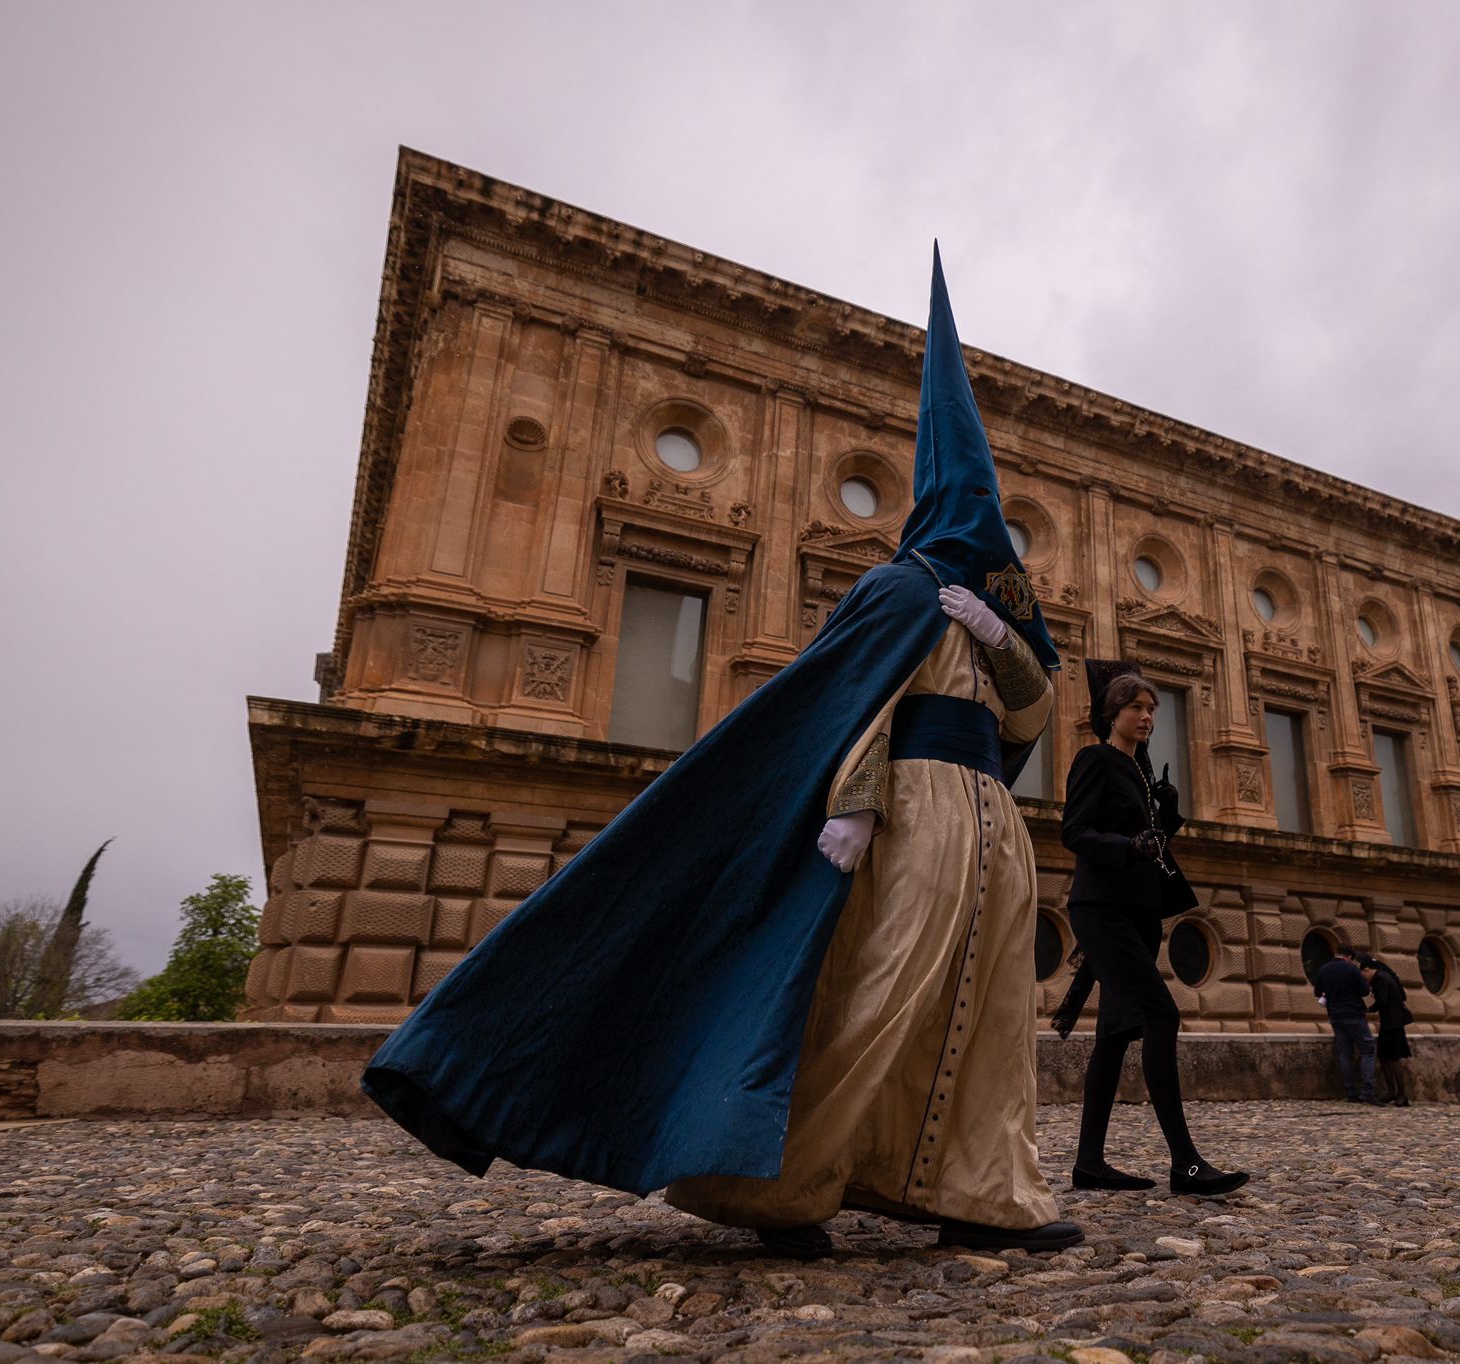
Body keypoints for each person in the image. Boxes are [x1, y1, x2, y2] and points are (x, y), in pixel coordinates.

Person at [361, 247, 1081, 1258]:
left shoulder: (995, 619)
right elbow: (848, 711)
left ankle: (974, 1187)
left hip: (991, 822)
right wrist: (854, 802)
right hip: (912, 811)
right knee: (879, 992)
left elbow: (1030, 719)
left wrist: (1004, 642)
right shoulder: (892, 594)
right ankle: (772, 1183)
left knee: (991, 1012)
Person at [1060, 662, 1250, 1197]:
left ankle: (1089, 1164)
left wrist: (1165, 818)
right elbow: (1074, 831)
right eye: (1135, 708)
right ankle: (1185, 1164)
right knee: (1159, 1015)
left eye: (1151, 709)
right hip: (1102, 909)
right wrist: (1128, 846)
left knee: (1114, 1036)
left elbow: (1151, 843)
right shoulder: (1095, 759)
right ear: (1111, 713)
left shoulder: (1140, 773)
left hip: (1140, 911)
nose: (1146, 717)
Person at [1315, 943, 1377, 1103]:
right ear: (1349, 957)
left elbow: (1317, 992)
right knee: (1368, 1050)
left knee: (1345, 1053)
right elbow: (1364, 991)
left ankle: (1350, 1092)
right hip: (1354, 1014)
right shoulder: (1351, 969)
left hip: (1335, 1015)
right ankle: (1368, 1090)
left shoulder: (1324, 969)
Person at [1361, 955, 1413, 1106]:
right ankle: (1392, 1092)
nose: (1364, 978)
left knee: (1393, 1058)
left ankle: (1401, 1095)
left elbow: (1382, 1001)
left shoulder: (1380, 979)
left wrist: (1369, 1009)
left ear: (1368, 970)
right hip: (1392, 1022)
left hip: (1392, 1023)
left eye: (1363, 974)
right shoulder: (1385, 976)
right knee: (1384, 1056)